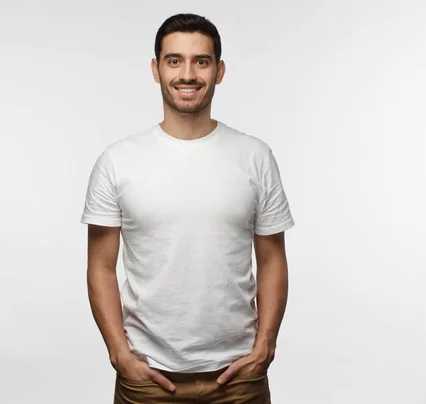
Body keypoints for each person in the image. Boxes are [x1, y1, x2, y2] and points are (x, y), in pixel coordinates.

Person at [81, 13, 295, 403]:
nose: (188, 73)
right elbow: (100, 265)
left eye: (202, 61)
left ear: (219, 70)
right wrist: (119, 353)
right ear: (156, 68)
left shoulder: (254, 157)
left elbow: (272, 258)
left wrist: (265, 346)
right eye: (174, 60)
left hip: (238, 378)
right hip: (147, 377)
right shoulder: (118, 161)